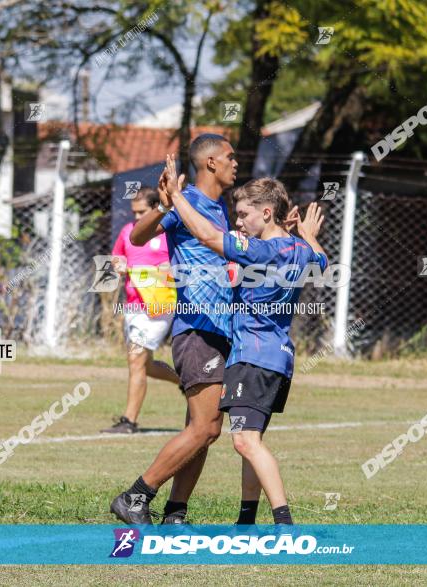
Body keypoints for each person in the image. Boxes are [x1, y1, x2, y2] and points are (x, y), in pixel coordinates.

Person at [160, 155, 327, 526]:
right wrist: (309, 235)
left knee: (244, 442)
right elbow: (321, 258)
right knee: (250, 442)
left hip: (252, 356)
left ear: (267, 213)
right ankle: (246, 521)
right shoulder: (300, 252)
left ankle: (284, 524)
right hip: (280, 359)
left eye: (244, 215)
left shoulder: (262, 251)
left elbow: (206, 235)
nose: (238, 222)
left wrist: (176, 196)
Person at [108, 134, 238, 525]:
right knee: (205, 426)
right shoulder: (190, 202)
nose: (236, 163)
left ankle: (176, 512)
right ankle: (135, 496)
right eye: (230, 157)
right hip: (196, 330)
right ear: (211, 162)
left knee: (205, 428)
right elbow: (138, 236)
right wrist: (164, 205)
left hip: (218, 329)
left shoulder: (217, 207)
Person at [101, 188, 180, 434]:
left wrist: (168, 268)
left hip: (159, 306)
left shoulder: (169, 232)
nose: (137, 218)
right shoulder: (129, 231)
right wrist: (118, 265)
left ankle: (129, 421)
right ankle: (187, 382)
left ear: (157, 208)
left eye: (142, 212)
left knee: (136, 360)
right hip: (134, 305)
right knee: (145, 364)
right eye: (134, 213)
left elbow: (181, 263)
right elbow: (115, 258)